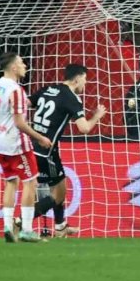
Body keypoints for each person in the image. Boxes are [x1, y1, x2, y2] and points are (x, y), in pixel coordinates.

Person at [29, 64, 107, 238]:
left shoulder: (48, 89)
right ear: (77, 78)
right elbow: (84, 128)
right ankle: (22, 221)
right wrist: (96, 116)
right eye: (85, 80)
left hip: (34, 146)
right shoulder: (71, 97)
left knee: (60, 185)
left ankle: (60, 226)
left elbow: (26, 103)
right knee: (58, 193)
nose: (85, 84)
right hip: (46, 151)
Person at [0, 53, 52, 243]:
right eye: (21, 63)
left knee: (11, 182)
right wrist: (40, 138)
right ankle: (26, 229)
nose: (25, 65)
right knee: (31, 182)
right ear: (14, 67)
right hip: (16, 143)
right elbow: (19, 123)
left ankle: (8, 226)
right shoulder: (16, 90)